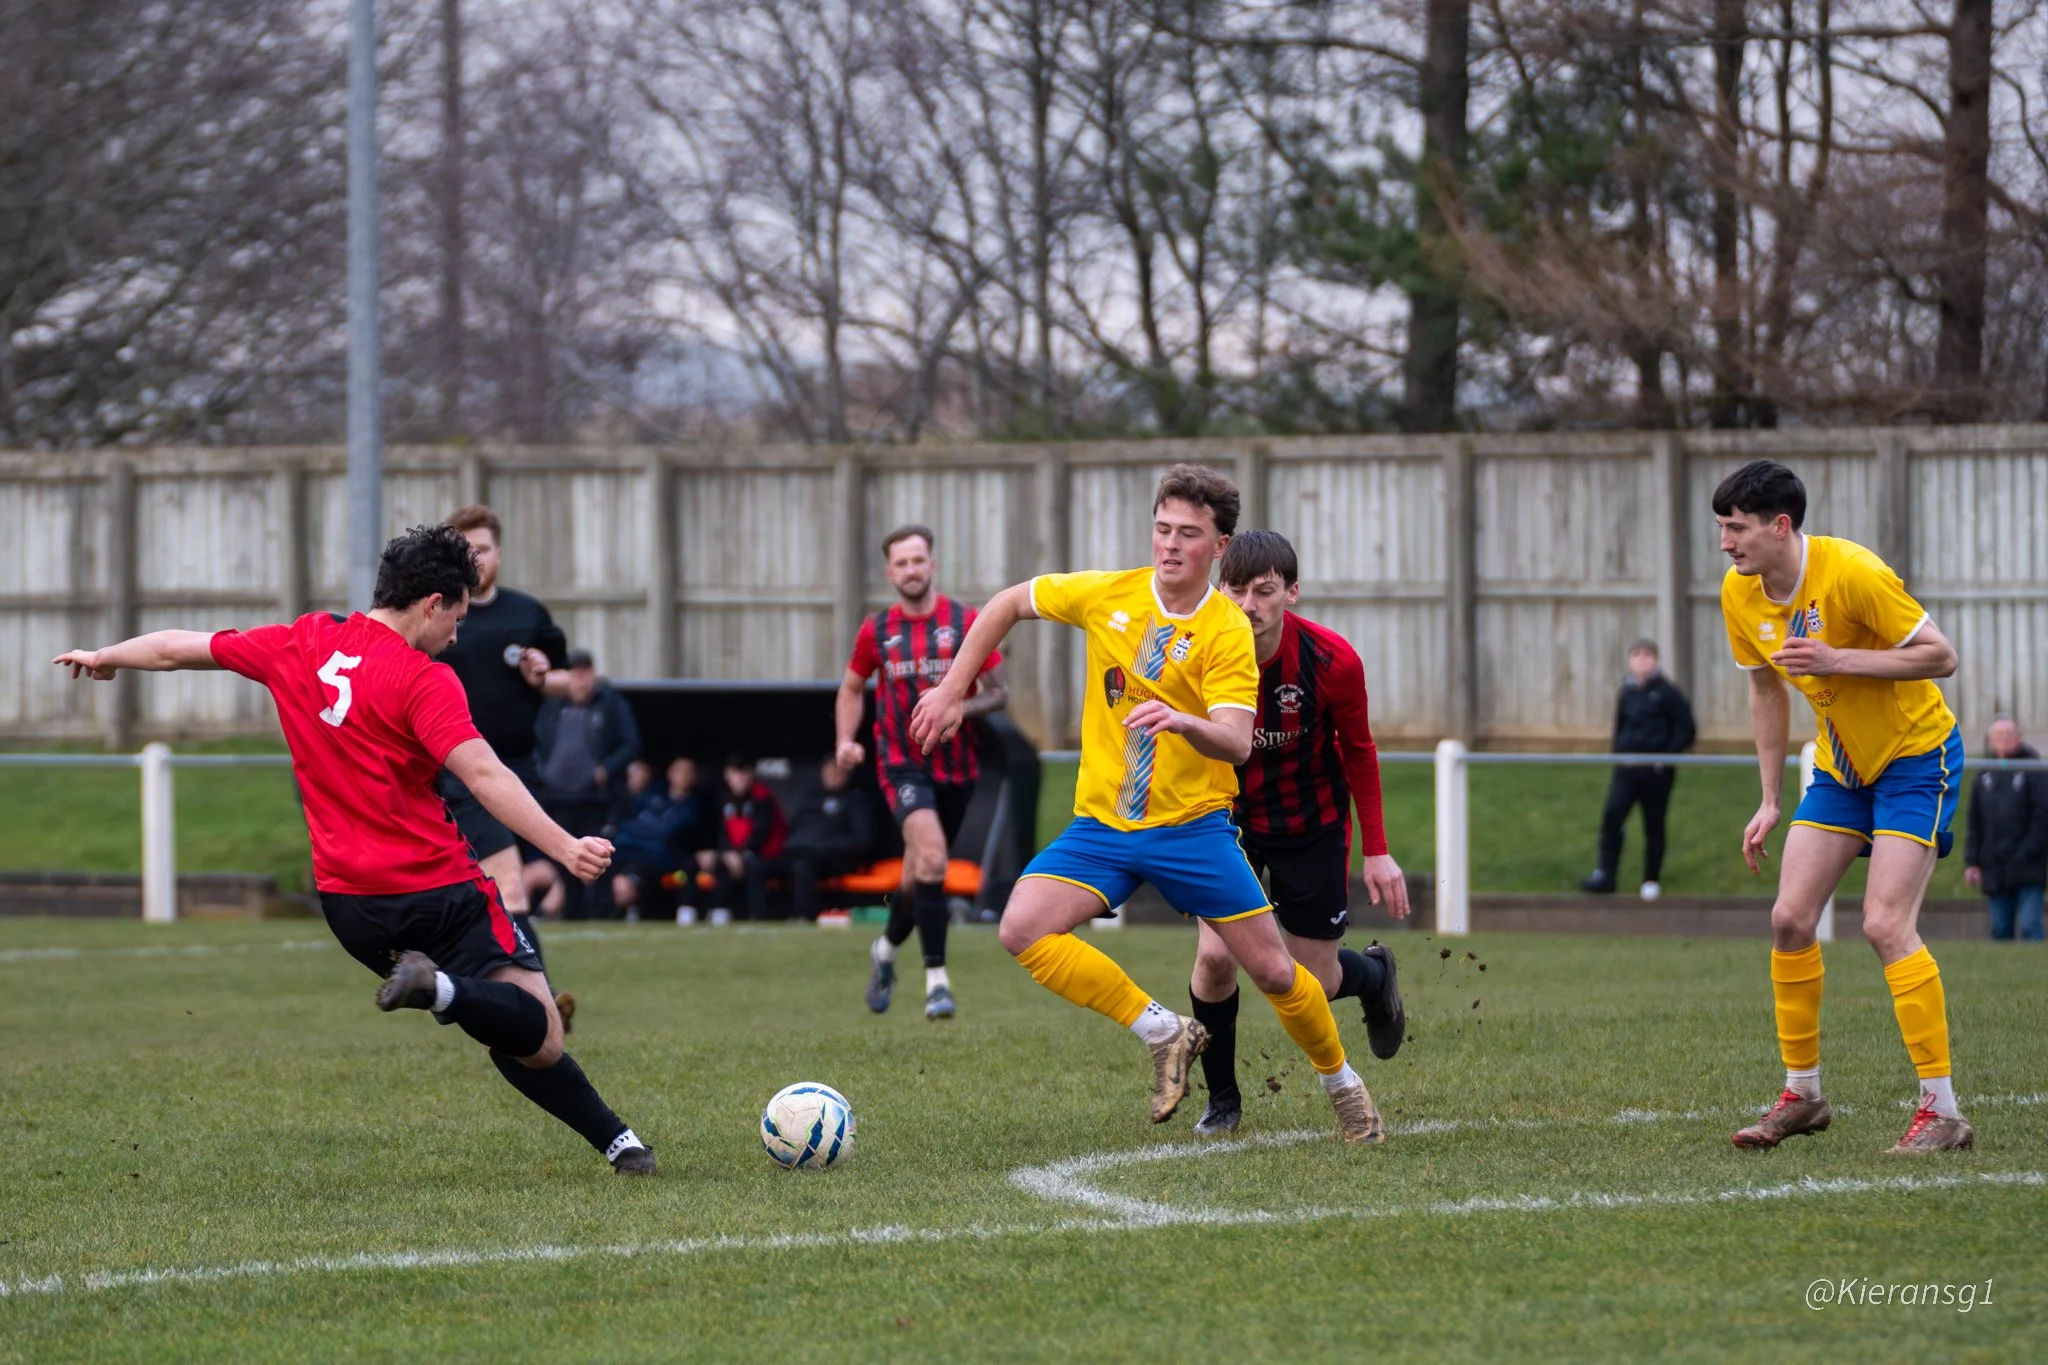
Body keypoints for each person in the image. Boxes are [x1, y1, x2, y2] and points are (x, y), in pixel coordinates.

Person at [52, 524, 654, 1174]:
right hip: (440, 889)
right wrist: (564, 845)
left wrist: (108, 653)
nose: (457, 634)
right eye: (456, 615)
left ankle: (621, 1144)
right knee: (539, 1025)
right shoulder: (424, 680)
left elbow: (177, 647)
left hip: (351, 909)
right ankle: (445, 989)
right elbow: (485, 774)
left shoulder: (301, 641)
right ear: (431, 603)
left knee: (506, 1027)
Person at [910, 464, 1383, 1143]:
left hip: (1193, 828)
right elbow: (1008, 602)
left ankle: (1343, 1084)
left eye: (1188, 533)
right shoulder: (1110, 593)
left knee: (1278, 971)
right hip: (1103, 825)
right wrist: (955, 687)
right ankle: (1164, 1030)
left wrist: (1181, 720)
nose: (1169, 544)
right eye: (1162, 528)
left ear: (1219, 546)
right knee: (1021, 928)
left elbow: (1237, 742)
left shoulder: (1227, 632)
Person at [1714, 459, 1972, 1155]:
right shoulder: (1739, 596)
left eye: (1735, 529)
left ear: (1780, 524)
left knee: (1886, 923)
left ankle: (1943, 1111)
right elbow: (1766, 690)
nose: (1725, 543)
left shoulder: (1852, 571)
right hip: (1841, 765)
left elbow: (1940, 656)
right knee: (1790, 917)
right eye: (1720, 528)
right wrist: (1770, 798)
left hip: (1917, 758)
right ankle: (1804, 1093)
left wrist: (1837, 660)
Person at [1190, 530, 1411, 1137]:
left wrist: (1379, 850)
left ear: (1292, 593)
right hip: (1224, 822)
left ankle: (1374, 976)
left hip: (1309, 823)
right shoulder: (1192, 651)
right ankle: (1224, 1102)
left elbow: (1361, 753)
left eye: (1263, 592)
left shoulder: (1332, 661)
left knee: (1313, 978)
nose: (1247, 606)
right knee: (1214, 960)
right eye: (1234, 590)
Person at [837, 523, 1008, 1020]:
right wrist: (845, 741)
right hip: (901, 763)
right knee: (933, 859)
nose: (911, 570)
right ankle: (937, 982)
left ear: (931, 564)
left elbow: (1000, 693)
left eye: (919, 560)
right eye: (901, 563)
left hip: (956, 768)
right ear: (890, 572)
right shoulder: (878, 630)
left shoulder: (967, 620)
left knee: (919, 876)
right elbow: (851, 688)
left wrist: (959, 707)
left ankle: (885, 950)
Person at [433, 506, 569, 958]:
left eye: (485, 549)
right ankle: (540, 1004)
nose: (478, 559)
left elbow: (569, 681)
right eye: (468, 550)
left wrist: (544, 676)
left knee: (507, 886)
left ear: (500, 552)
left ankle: (475, 986)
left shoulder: (527, 613)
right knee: (509, 882)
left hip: (520, 769)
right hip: (463, 773)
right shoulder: (438, 614)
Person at [1580, 639, 1696, 901]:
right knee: (1613, 817)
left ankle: (1651, 880)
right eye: (1637, 655)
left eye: (1647, 655)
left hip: (1656, 772)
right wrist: (1618, 754)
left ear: (1655, 660)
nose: (1642, 660)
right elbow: (1620, 727)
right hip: (1626, 769)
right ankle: (1605, 875)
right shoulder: (1627, 692)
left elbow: (1687, 729)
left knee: (1653, 823)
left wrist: (1663, 758)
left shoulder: (1668, 693)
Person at [534, 650, 641, 916]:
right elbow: (536, 743)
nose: (580, 681)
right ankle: (572, 912)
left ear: (593, 675)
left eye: (584, 674)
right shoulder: (552, 707)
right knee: (563, 860)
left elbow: (631, 743)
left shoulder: (610, 704)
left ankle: (604, 912)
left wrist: (607, 769)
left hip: (596, 799)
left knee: (601, 858)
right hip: (558, 798)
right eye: (575, 674)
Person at [1964, 716, 2048, 941]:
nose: (2004, 739)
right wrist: (1973, 861)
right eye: (1998, 735)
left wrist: (2026, 851)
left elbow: (2043, 816)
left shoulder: (2033, 770)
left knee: (2030, 925)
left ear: (2019, 738)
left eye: (2009, 734)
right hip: (1995, 865)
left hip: (2028, 863)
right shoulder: (1984, 774)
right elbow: (1975, 820)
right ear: (1990, 741)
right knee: (2000, 929)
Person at [608, 757, 713, 922]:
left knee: (624, 885)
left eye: (688, 771)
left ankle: (619, 916)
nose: (683, 775)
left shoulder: (695, 806)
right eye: (679, 770)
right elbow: (627, 821)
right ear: (669, 773)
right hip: (624, 850)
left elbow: (670, 835)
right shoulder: (652, 795)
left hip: (655, 858)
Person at [775, 759, 878, 921]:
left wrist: (826, 845)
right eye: (828, 771)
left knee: (803, 866)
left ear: (847, 774)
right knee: (757, 865)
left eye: (837, 771)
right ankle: (757, 917)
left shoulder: (855, 799)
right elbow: (794, 830)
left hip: (834, 859)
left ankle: (804, 917)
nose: (832, 776)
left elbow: (862, 840)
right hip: (799, 853)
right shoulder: (809, 797)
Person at [695, 754, 786, 924]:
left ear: (749, 774)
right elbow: (724, 834)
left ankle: (757, 917)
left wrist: (741, 854)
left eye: (739, 773)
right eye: (730, 775)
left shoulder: (762, 797)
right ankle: (719, 912)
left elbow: (761, 835)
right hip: (737, 854)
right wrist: (724, 853)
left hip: (767, 854)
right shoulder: (726, 799)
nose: (735, 779)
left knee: (753, 866)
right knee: (718, 863)